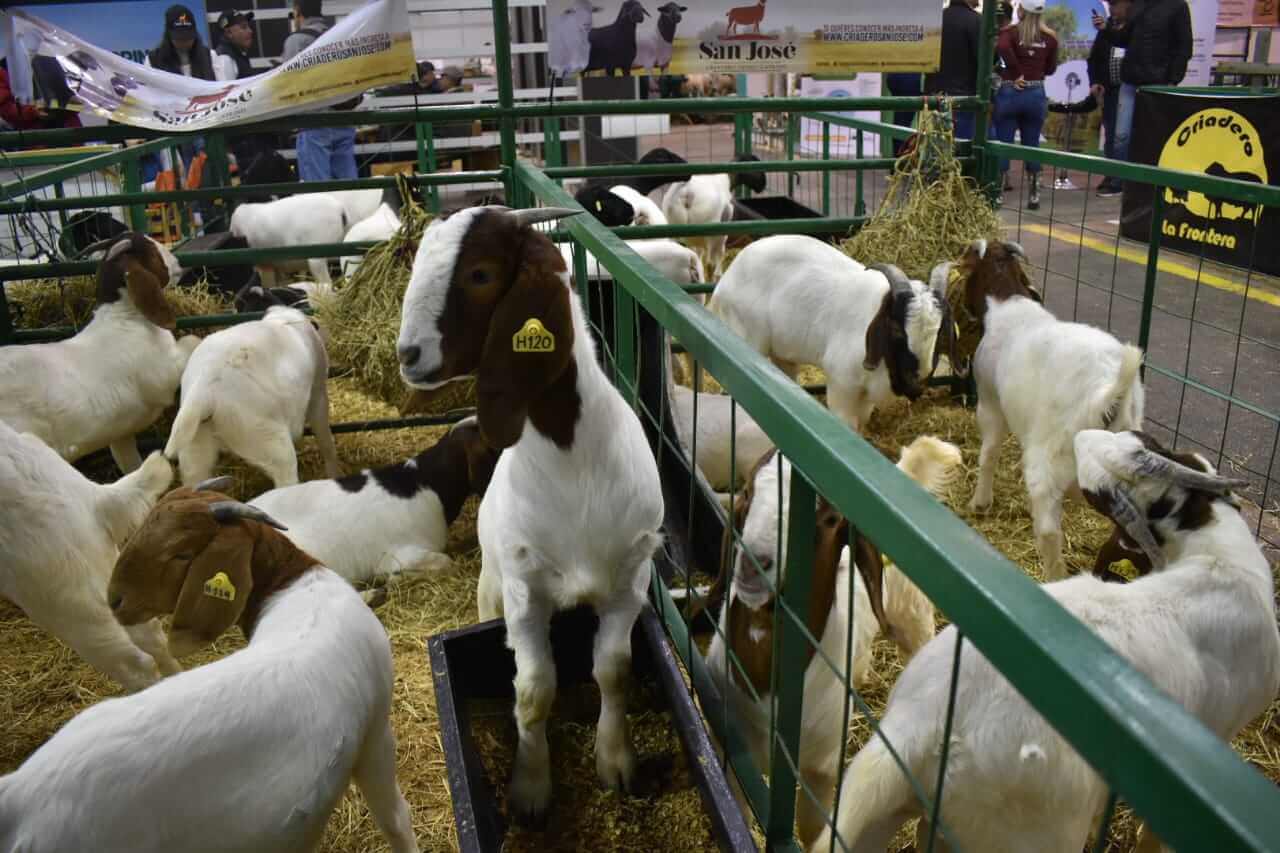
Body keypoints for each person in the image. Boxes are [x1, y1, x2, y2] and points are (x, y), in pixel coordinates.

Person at [1098, 0, 1191, 193]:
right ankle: (1117, 181)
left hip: (1158, 82)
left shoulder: (1178, 6)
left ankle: (1150, 184)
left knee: (1154, 134)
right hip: (1130, 79)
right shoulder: (1138, 5)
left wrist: (1173, 80)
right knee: (1121, 135)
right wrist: (1106, 29)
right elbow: (1124, 38)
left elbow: (1184, 47)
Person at [284, 0, 358, 181]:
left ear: (298, 11)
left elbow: (288, 83)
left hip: (314, 123)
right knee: (349, 188)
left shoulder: (297, 40)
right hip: (343, 118)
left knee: (319, 193)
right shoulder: (340, 35)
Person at [994, 0, 1059, 210]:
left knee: (1003, 142)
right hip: (1036, 93)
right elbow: (1050, 69)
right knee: (1032, 145)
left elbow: (1002, 46)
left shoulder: (1009, 32)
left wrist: (1016, 72)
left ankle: (997, 194)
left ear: (1021, 9)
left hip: (1011, 91)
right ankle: (1034, 196)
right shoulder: (1050, 37)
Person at [1086, 0, 1132, 196]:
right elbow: (1094, 59)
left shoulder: (1134, 28)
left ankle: (1123, 178)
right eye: (1110, 5)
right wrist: (1095, 81)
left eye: (1115, 5)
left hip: (1131, 90)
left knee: (1126, 137)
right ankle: (1112, 174)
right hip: (1111, 91)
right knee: (1112, 135)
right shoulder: (1106, 31)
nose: (1111, 9)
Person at [926, 0, 982, 140]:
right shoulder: (976, 21)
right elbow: (983, 59)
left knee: (935, 148)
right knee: (961, 150)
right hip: (963, 98)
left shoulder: (936, 18)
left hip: (934, 95)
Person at [885, 73, 922, 157]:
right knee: (902, 123)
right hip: (910, 77)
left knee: (901, 121)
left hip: (899, 76)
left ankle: (899, 162)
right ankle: (901, 162)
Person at [215, 9, 256, 80]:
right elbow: (228, 90)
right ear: (229, 33)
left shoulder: (237, 54)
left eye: (248, 26)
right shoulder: (224, 58)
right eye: (244, 27)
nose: (250, 31)